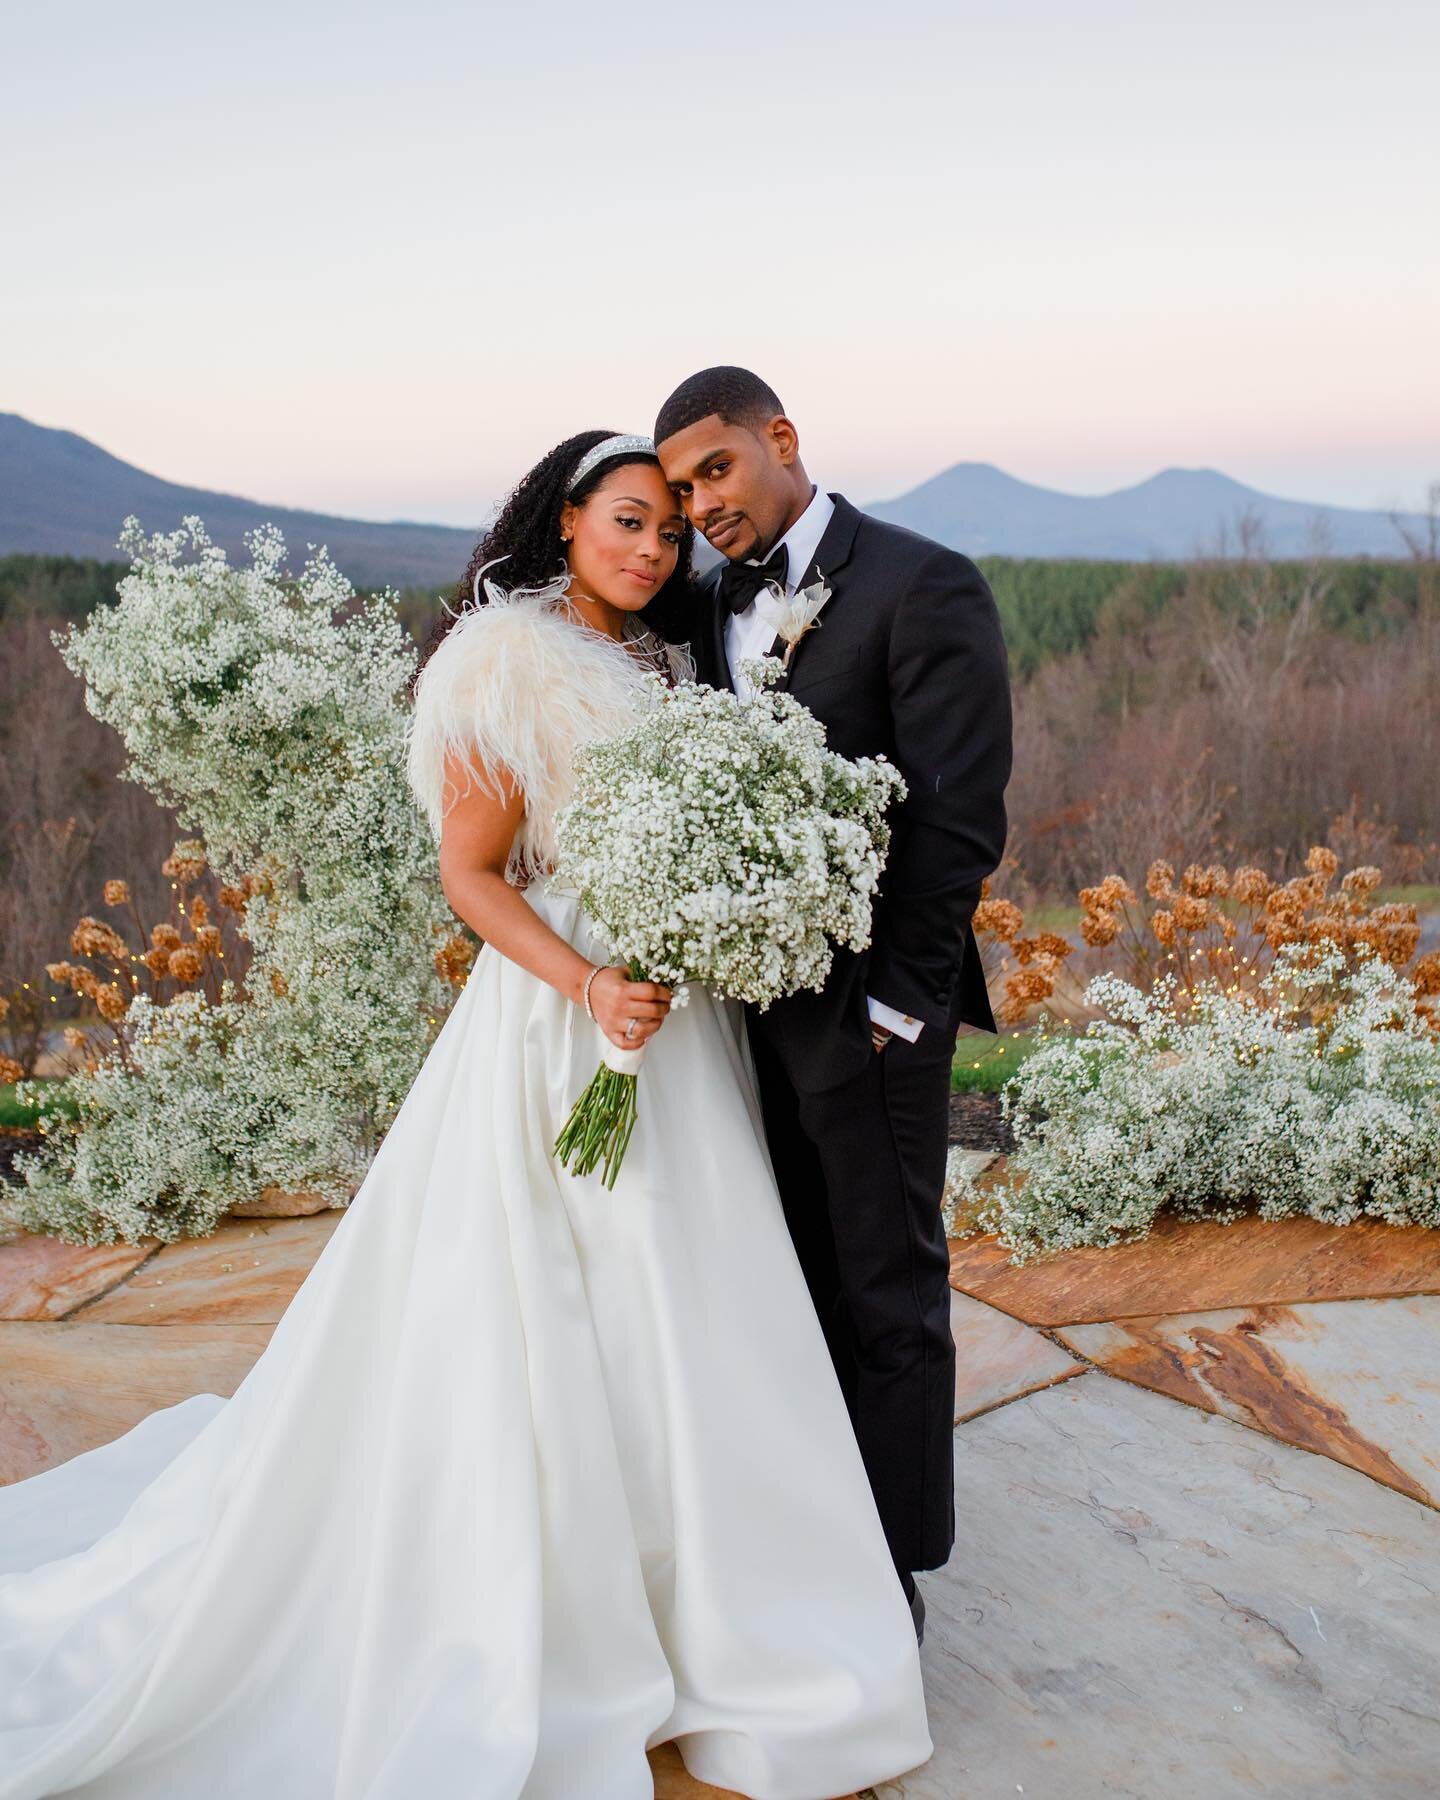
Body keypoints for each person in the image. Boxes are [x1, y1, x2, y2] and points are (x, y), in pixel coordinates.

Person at [0, 430, 932, 1800]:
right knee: (570, 1280)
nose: (652, 551)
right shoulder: (501, 662)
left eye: (672, 533)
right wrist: (589, 982)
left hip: (677, 1014)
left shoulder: (665, 659)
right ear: (565, 521)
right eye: (628, 523)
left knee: (690, 1290)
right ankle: (562, 1598)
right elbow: (473, 874)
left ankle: (716, 1602)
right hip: (568, 1010)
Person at [653, 369, 1014, 1643]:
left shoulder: (924, 583)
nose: (702, 507)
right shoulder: (702, 609)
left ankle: (895, 1577)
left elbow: (958, 823)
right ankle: (811, 1533)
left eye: (716, 472)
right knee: (784, 1274)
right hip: (743, 1019)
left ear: (780, 441)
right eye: (683, 489)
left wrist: (902, 1012)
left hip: (870, 1017)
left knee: (887, 1289)